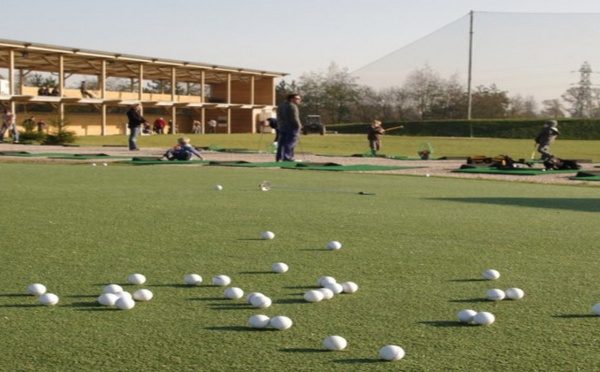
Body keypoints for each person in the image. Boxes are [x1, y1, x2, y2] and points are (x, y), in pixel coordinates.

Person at [275, 93, 303, 161]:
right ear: (292, 99)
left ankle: (279, 157)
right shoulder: (292, 106)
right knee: (290, 143)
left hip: (282, 127)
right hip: (292, 127)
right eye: (298, 99)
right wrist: (299, 126)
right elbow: (295, 118)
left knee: (281, 143)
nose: (299, 100)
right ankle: (287, 157)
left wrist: (280, 125)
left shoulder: (281, 106)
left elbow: (278, 117)